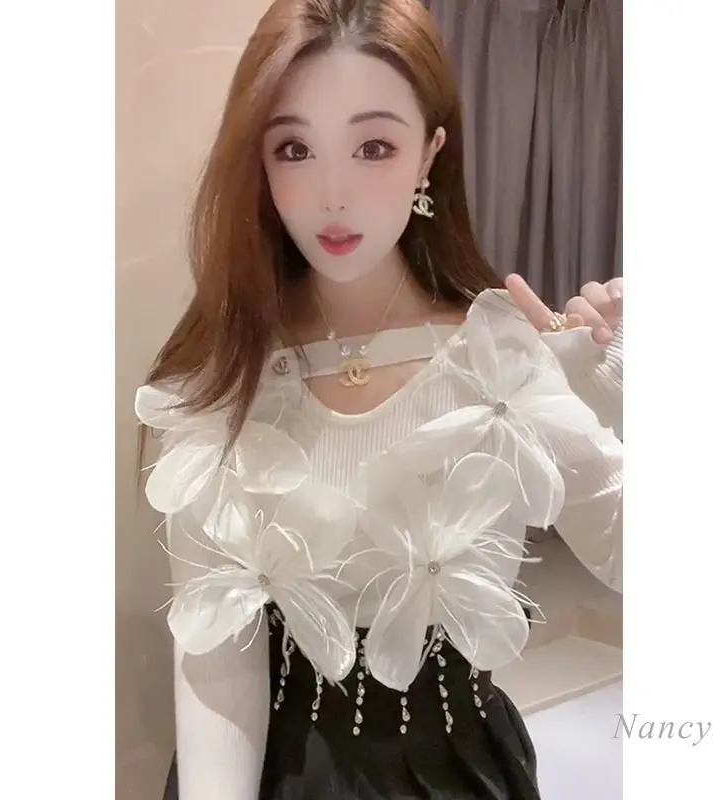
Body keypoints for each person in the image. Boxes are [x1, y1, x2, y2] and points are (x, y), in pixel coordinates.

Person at [134, 1, 623, 797]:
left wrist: (616, 394)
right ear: (259, 162)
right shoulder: (220, 383)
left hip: (455, 773)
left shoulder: (500, 362)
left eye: (374, 147)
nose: (333, 195)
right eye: (295, 148)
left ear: (430, 153)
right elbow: (217, 659)